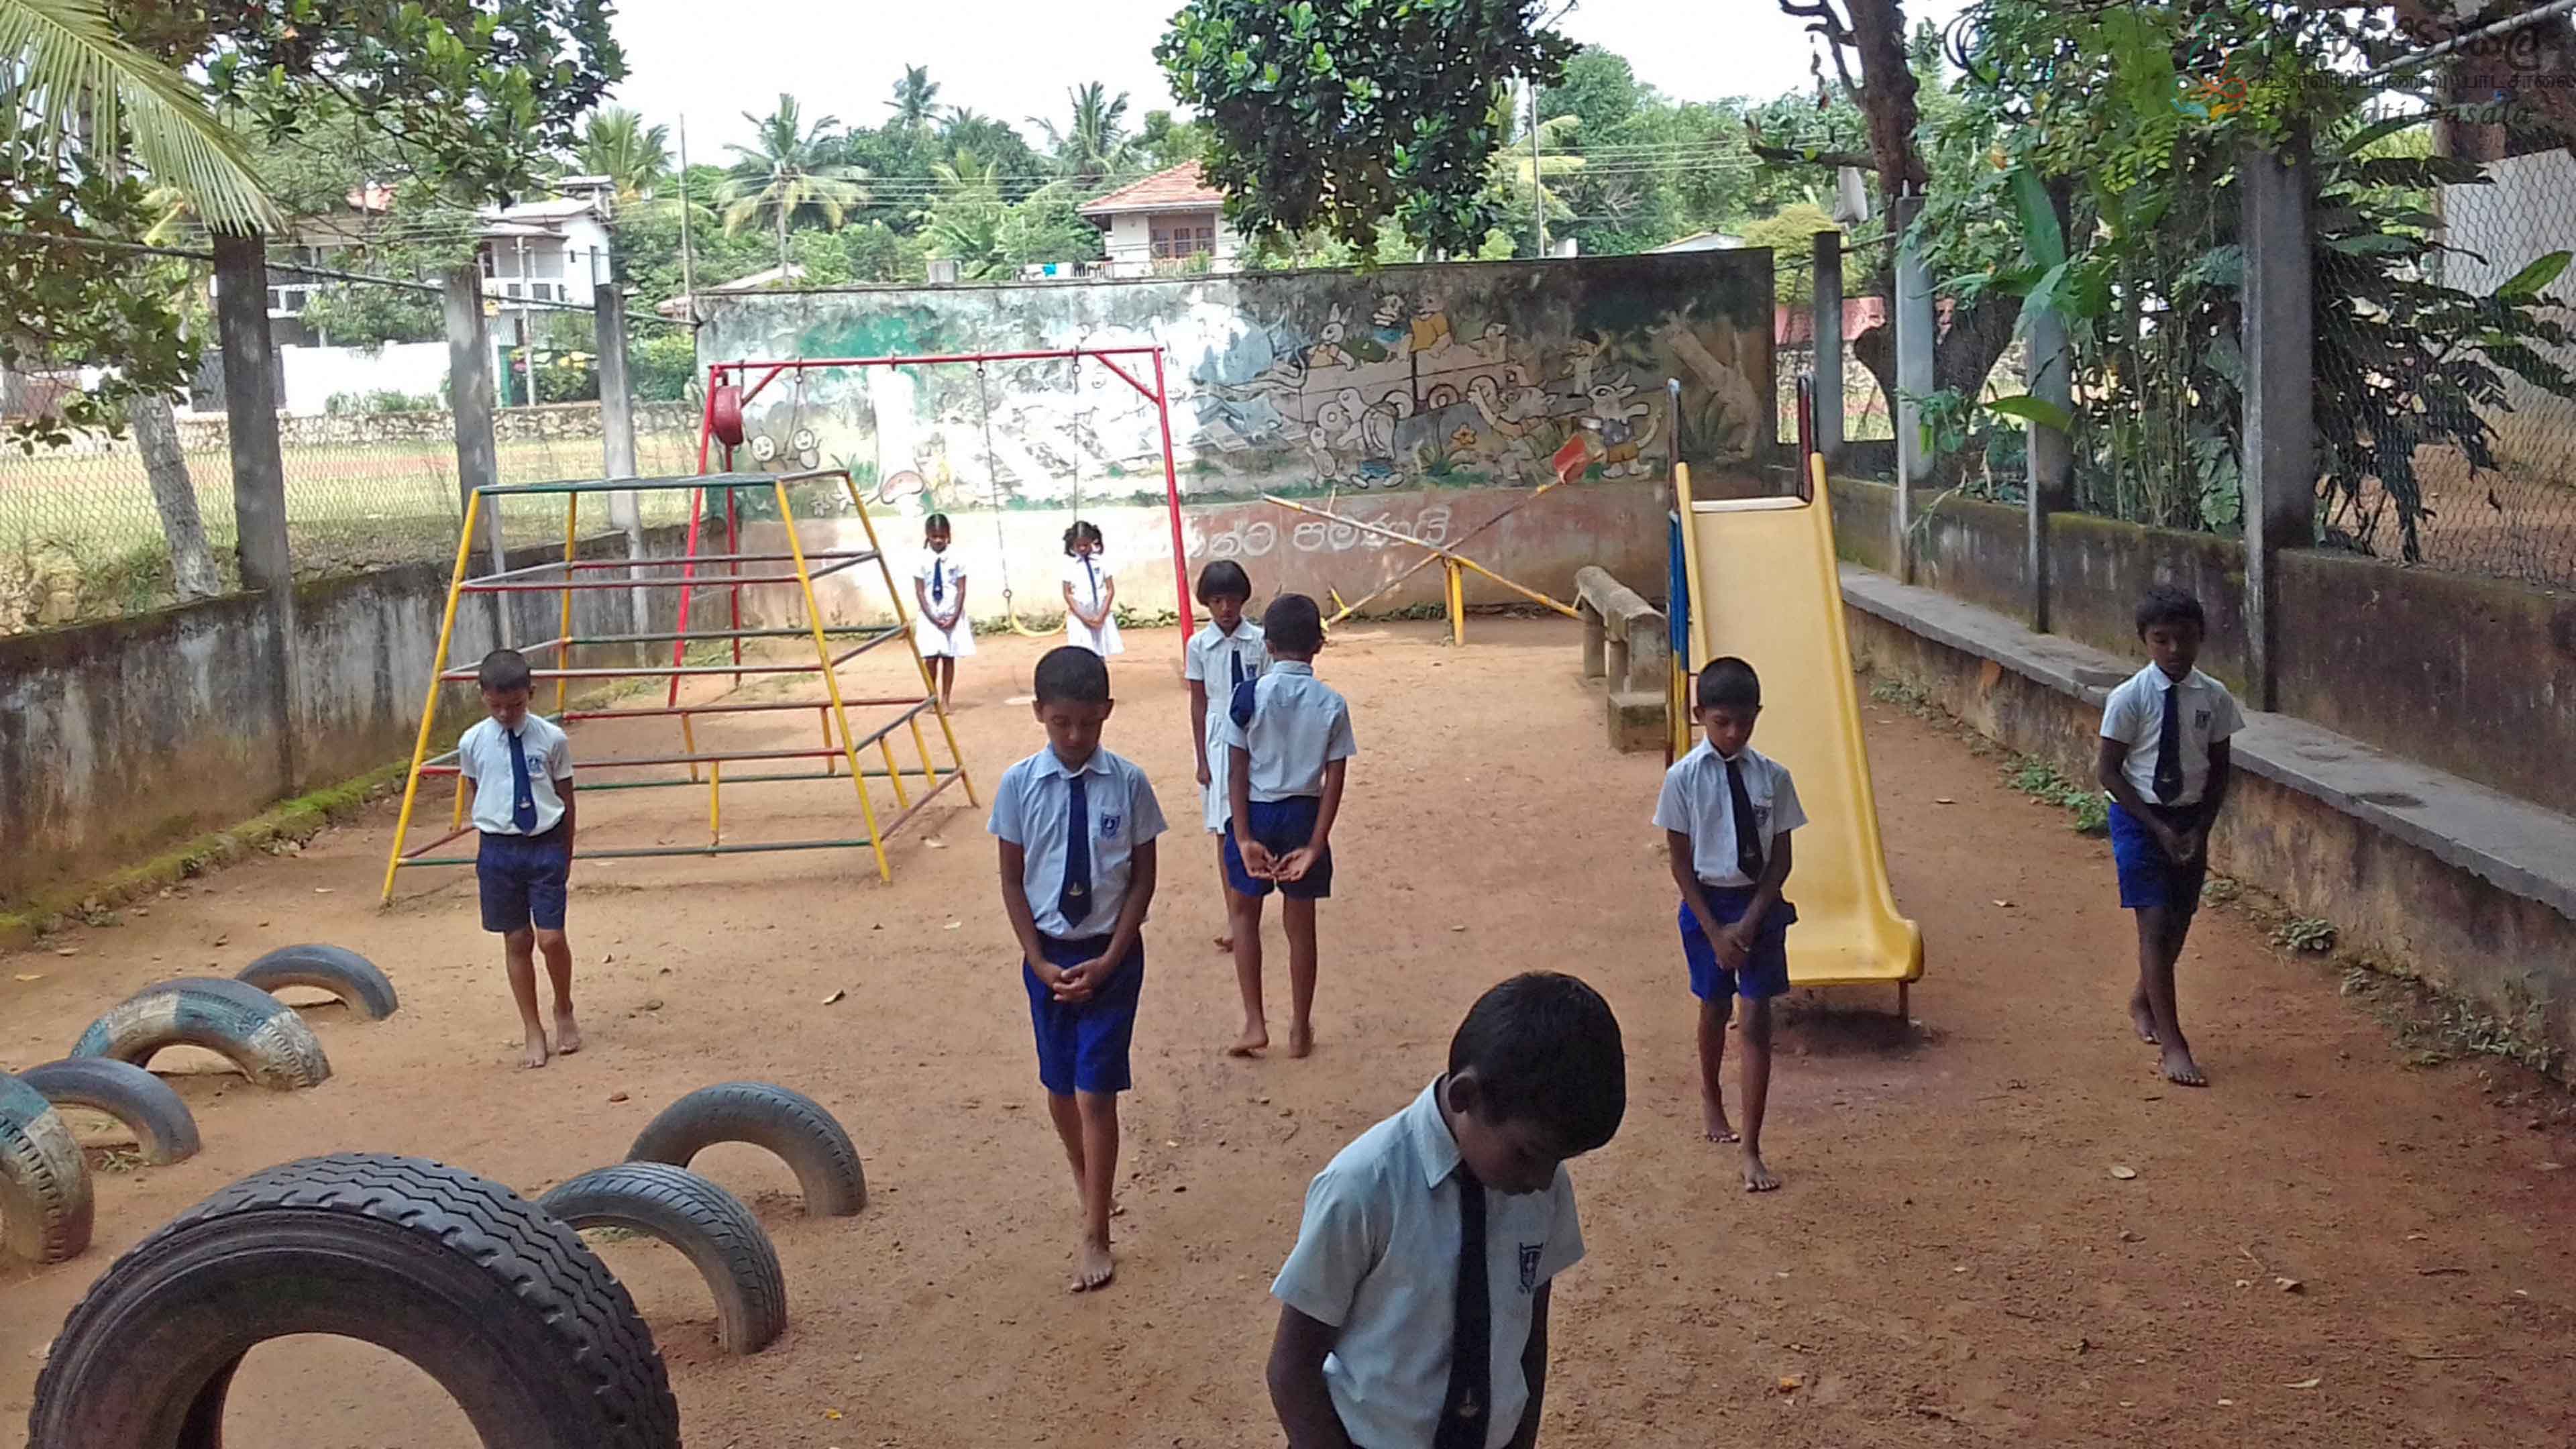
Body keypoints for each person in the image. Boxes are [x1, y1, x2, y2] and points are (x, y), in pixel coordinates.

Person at [1268, 972, 1625, 1449]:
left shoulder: (1540, 1185)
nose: (1543, 1181)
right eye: (1528, 1154)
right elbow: (1292, 1371)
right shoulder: (1364, 1187)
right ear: (1465, 1097)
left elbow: (1529, 1338)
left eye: (1559, 1161)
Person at [989, 645, 1167, 1291]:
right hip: (1049, 959)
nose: (1073, 736)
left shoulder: (1129, 783)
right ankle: (1089, 1178)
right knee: (1060, 1088)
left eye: (1087, 724)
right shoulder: (1018, 786)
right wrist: (1037, 961)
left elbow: (1143, 878)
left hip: (1111, 956)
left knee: (1096, 1091)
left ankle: (1096, 1233)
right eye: (1061, 722)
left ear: (1107, 713)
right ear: (1039, 712)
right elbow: (1012, 879)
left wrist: (1112, 957)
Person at [1655, 657, 1803, 1193]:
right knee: (1715, 1008)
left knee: (1757, 1017)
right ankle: (1711, 1095)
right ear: (1700, 716)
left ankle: (1752, 1147)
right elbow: (1679, 862)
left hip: (1759, 905)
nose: (1734, 733)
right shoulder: (1682, 779)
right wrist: (1717, 931)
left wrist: (1751, 921)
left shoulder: (1774, 778)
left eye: (1745, 721)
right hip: (1706, 907)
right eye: (1722, 722)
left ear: (1758, 714)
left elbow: (1781, 860)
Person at [2096, 584, 2243, 1089]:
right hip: (2139, 818)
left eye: (2184, 639)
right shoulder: (2129, 698)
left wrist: (2200, 827)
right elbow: (2108, 771)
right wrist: (2156, 827)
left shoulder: (2214, 698)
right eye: (2162, 640)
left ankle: (2144, 997)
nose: (2174, 650)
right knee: (2155, 922)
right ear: (2145, 641)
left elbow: (2220, 769)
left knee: (2180, 920)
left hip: (2189, 818)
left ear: (2201, 637)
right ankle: (2174, 1043)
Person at [1218, 594, 1354, 1059]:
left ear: (1268, 645)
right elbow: (1335, 778)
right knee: (1301, 926)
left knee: (1244, 917)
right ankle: (1299, 1026)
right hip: (1303, 814)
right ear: (1318, 644)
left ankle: (1254, 1022)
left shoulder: (1247, 696)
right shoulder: (1332, 704)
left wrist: (1242, 836)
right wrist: (1316, 843)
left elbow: (1236, 771)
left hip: (1255, 812)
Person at [456, 648, 582, 1070]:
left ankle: (563, 1007)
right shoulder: (472, 742)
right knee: (516, 940)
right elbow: (479, 790)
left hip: (545, 844)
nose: (506, 714)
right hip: (498, 849)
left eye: (515, 705)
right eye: (496, 706)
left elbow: (566, 796)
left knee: (551, 939)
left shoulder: (552, 739)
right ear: (482, 696)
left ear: (531, 692)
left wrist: (565, 850)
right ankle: (532, 1027)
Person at [1184, 560, 1267, 953]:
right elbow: (1198, 704)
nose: (1225, 609)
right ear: (1206, 602)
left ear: (1243, 599)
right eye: (1217, 601)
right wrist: (1202, 759)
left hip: (1256, 732)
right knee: (1224, 827)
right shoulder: (1198, 646)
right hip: (1219, 737)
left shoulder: (1261, 641)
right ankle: (1235, 915)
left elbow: (1269, 692)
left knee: (1255, 818)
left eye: (1232, 600)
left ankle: (1251, 906)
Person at [911, 512, 973, 710]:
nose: (938, 541)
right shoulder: (921, 559)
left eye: (942, 536)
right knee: (930, 658)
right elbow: (920, 591)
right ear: (927, 536)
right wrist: (931, 616)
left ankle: (946, 698)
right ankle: (932, 696)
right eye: (934, 536)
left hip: (951, 612)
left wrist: (955, 616)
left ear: (948, 535)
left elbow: (961, 588)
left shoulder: (957, 557)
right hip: (930, 614)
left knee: (948, 657)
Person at [1061, 520, 1123, 658]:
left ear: (1092, 541)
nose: (1082, 548)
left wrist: (1101, 616)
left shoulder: (1101, 561)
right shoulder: (1069, 564)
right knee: (1082, 654)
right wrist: (1084, 618)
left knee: (1100, 654)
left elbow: (1110, 589)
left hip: (1101, 616)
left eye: (1086, 544)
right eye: (1078, 545)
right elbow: (1067, 593)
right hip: (1080, 618)